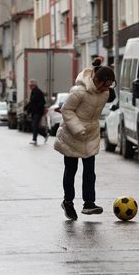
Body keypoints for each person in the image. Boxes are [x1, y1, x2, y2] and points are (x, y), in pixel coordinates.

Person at [53, 64, 116, 221]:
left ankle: (89, 203)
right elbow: (66, 110)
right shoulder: (79, 92)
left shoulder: (105, 92)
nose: (106, 89)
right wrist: (77, 128)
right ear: (97, 81)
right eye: (106, 85)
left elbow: (111, 94)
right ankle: (68, 202)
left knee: (89, 171)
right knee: (71, 170)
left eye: (110, 86)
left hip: (90, 135)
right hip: (72, 134)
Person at [25, 79, 46, 145]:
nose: (29, 87)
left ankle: (34, 139)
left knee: (35, 125)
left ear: (34, 85)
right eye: (29, 85)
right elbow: (31, 102)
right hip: (34, 112)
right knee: (34, 126)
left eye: (31, 85)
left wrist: (37, 108)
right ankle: (45, 135)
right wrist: (26, 108)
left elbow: (42, 102)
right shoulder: (33, 92)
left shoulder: (38, 92)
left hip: (38, 112)